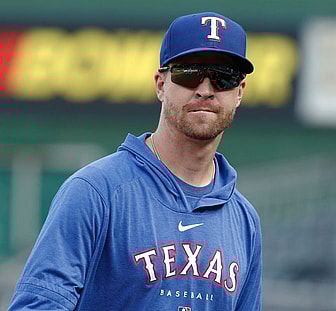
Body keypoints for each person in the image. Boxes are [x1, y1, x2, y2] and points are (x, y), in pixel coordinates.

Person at [8, 11, 262, 311]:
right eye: (189, 73)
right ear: (160, 84)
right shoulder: (95, 191)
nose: (205, 90)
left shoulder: (244, 219)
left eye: (223, 78)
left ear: (239, 93)